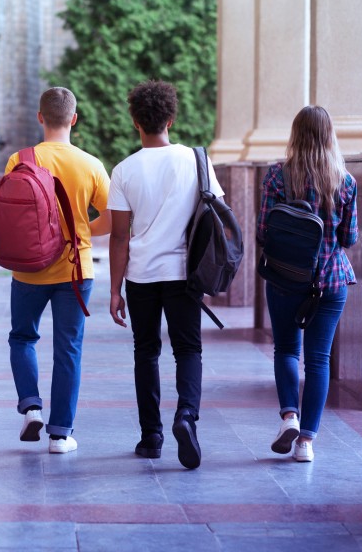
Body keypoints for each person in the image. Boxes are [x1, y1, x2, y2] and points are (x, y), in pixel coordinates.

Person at [108, 79, 224, 470]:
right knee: (188, 350)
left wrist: (114, 290)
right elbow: (214, 217)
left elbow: (119, 236)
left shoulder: (124, 171)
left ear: (135, 121)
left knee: (146, 352)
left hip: (140, 276)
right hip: (184, 274)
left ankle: (151, 436)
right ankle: (186, 416)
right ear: (170, 119)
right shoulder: (196, 160)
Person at [6, 87, 111, 455]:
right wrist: (82, 230)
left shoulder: (20, 159)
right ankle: (61, 434)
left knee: (22, 338)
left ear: (40, 117)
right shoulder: (91, 165)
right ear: (74, 119)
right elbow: (111, 219)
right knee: (68, 349)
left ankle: (31, 407)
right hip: (75, 270)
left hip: (29, 269)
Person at [258, 105, 358, 463]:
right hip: (331, 281)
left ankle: (289, 417)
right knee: (319, 360)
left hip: (286, 278)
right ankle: (306, 444)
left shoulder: (276, 176)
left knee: (286, 349)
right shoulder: (345, 181)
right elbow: (350, 237)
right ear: (330, 134)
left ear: (295, 134)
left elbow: (263, 232)